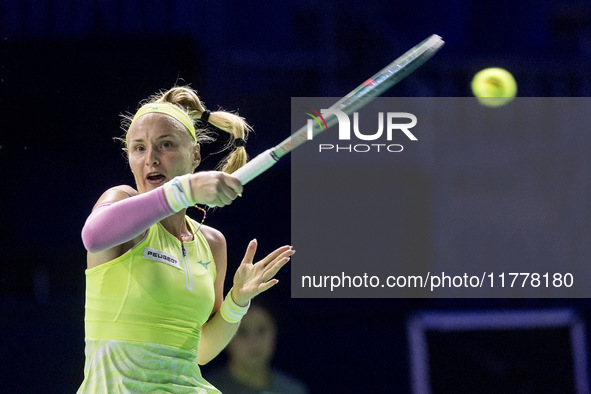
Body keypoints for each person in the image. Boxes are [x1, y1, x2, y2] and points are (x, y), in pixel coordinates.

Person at [78, 86, 293, 393]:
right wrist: (185, 190)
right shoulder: (120, 203)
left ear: (195, 156)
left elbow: (201, 350)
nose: (150, 158)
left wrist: (237, 302)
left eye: (165, 145)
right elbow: (94, 236)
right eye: (139, 148)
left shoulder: (212, 242)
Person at [206, 301, 309, 394]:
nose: (253, 341)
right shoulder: (205, 389)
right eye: (242, 331)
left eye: (261, 330)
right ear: (225, 337)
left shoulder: (293, 390)